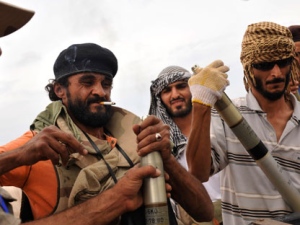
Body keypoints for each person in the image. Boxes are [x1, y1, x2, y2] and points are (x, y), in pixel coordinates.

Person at [0, 41, 214, 224]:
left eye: (106, 83)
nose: (100, 91)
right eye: (87, 82)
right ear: (60, 90)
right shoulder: (38, 146)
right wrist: (18, 156)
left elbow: (204, 212)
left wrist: (165, 158)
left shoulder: (136, 137)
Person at [186, 21, 300, 225]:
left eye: (282, 62)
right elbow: (198, 172)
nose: (276, 73)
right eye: (264, 65)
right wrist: (201, 103)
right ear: (248, 68)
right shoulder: (228, 116)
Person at [149, 65, 227, 225]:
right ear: (160, 98)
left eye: (181, 86)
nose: (175, 95)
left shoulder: (218, 124)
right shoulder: (161, 143)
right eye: (167, 90)